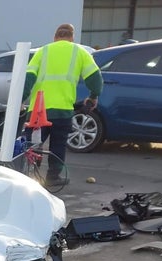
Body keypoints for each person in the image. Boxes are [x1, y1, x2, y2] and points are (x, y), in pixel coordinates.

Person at [22, 23, 103, 186]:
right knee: (58, 144)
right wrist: (93, 96)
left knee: (33, 145)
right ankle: (53, 178)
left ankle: (29, 177)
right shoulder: (80, 52)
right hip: (63, 110)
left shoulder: (42, 51)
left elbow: (28, 78)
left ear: (55, 37)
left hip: (39, 110)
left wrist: (21, 100)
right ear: (72, 37)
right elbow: (95, 79)